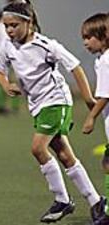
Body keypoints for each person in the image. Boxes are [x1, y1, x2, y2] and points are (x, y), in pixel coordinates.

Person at [0, 1, 106, 224]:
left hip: (56, 101)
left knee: (37, 148)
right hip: (37, 106)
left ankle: (62, 199)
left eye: (14, 25)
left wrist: (88, 98)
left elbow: (75, 67)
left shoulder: (46, 45)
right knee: (64, 154)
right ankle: (95, 201)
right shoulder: (8, 45)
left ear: (29, 22)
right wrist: (6, 86)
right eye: (6, 26)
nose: (9, 30)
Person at [81, 13, 109, 225]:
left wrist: (91, 117)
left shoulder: (105, 61)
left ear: (104, 36)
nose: (85, 42)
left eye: (89, 37)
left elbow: (106, 95)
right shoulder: (103, 59)